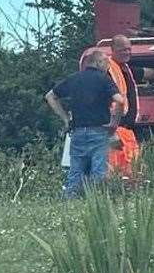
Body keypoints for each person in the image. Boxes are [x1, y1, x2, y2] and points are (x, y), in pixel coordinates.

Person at [45, 49, 125, 198]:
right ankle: (96, 205)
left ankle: (70, 204)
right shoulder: (104, 79)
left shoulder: (74, 78)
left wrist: (65, 118)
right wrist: (114, 123)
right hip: (100, 131)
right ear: (98, 62)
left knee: (75, 172)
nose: (108, 68)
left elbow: (50, 96)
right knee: (98, 171)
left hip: (78, 131)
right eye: (107, 63)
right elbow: (120, 100)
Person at [103, 34, 154, 175]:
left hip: (126, 128)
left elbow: (145, 73)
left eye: (129, 49)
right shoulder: (108, 69)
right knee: (117, 163)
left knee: (131, 162)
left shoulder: (126, 69)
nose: (127, 52)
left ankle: (129, 186)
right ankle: (118, 187)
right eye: (123, 50)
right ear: (112, 49)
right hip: (116, 127)